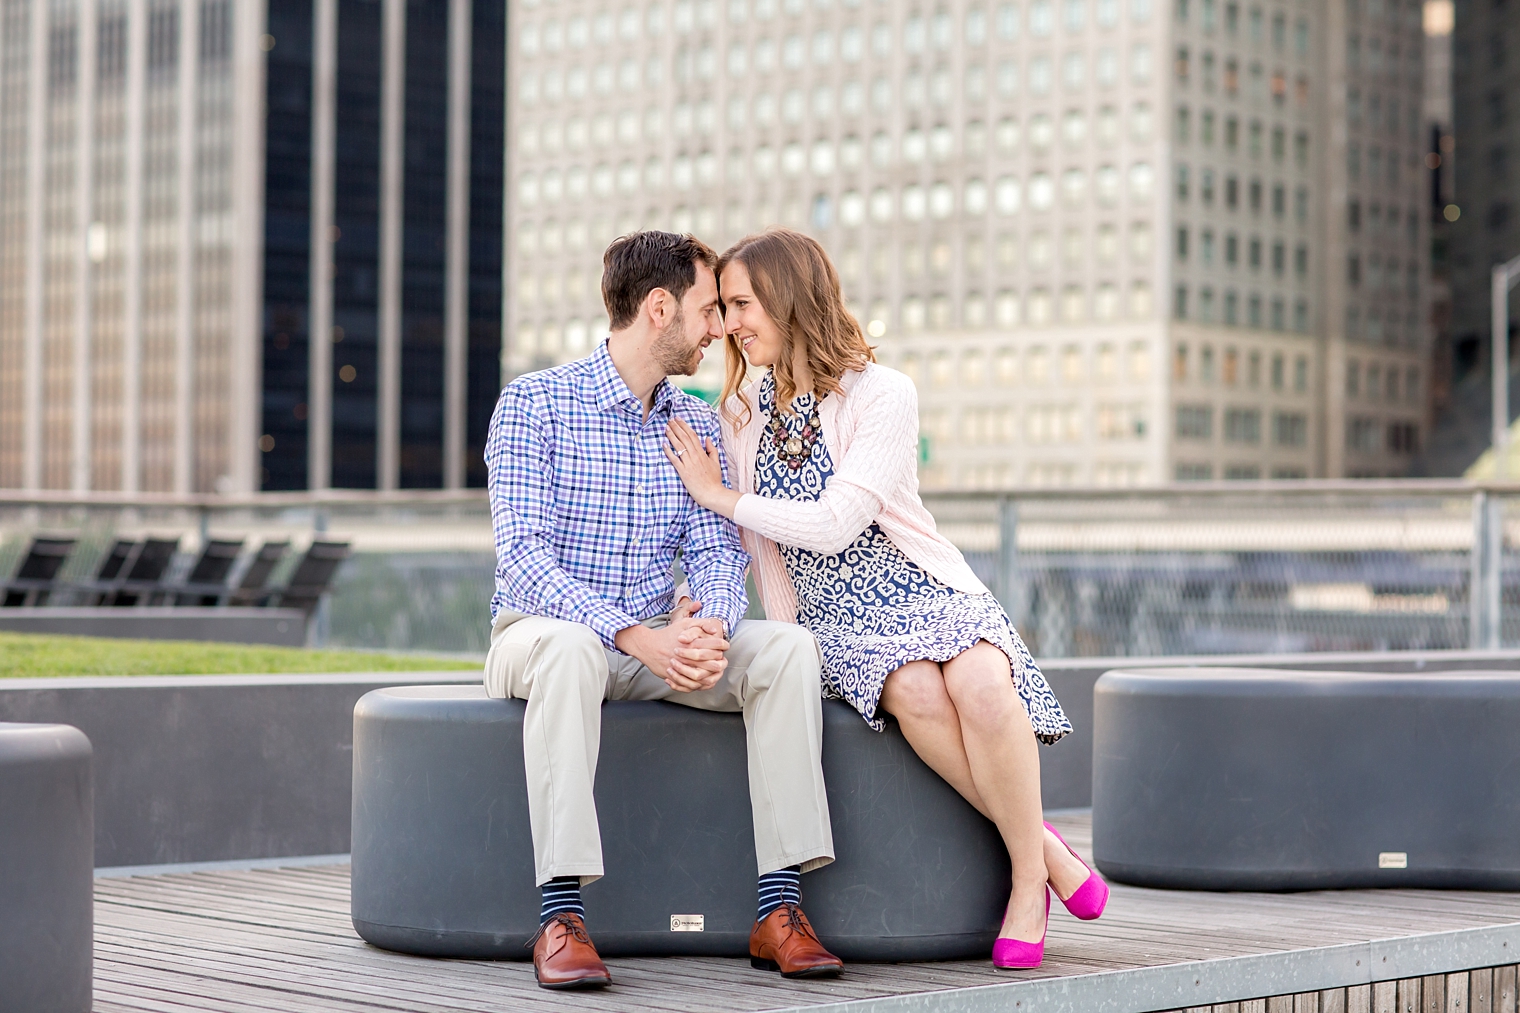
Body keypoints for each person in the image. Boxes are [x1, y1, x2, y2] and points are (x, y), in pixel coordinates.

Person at [662, 228, 1109, 971]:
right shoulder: (739, 413)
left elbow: (838, 522)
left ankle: (1029, 880)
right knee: (916, 690)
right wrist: (695, 597)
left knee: (982, 682)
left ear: (789, 296)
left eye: (741, 303)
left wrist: (723, 495)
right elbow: (740, 547)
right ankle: (1048, 847)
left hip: (922, 586)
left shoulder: (883, 393)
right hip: (833, 616)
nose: (731, 322)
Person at [484, 231, 843, 991]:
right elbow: (523, 560)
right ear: (658, 309)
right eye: (708, 309)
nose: (719, 328)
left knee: (786, 651)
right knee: (574, 649)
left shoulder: (696, 420)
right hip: (542, 638)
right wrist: (637, 635)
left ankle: (779, 906)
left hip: (661, 647)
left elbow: (718, 550)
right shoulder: (534, 404)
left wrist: (709, 625)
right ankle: (560, 914)